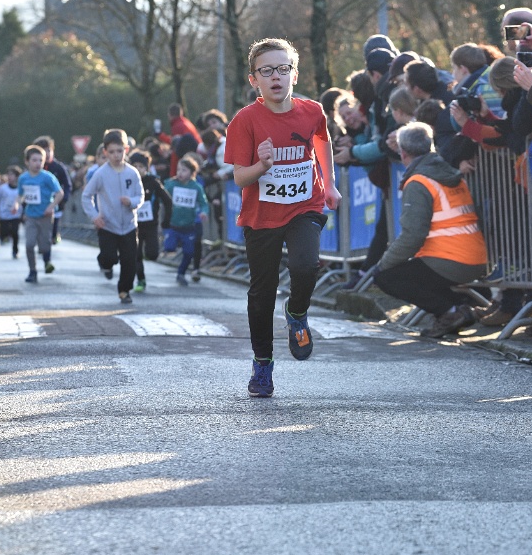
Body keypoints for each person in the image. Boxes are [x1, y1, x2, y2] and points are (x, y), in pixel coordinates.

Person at [223, 37, 342, 398]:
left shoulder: (313, 111)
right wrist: (262, 165)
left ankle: (297, 312)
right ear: (254, 80)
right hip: (261, 216)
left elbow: (322, 141)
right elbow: (239, 178)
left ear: (294, 74)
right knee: (262, 293)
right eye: (267, 71)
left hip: (305, 205)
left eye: (283, 68)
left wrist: (330, 184)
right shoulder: (245, 121)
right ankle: (263, 363)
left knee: (306, 266)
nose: (276, 76)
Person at [371, 122, 488, 338]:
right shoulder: (448, 173)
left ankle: (452, 312)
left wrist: (382, 265)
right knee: (414, 272)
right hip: (475, 258)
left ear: (402, 153)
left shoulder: (419, 182)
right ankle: (459, 309)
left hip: (449, 260)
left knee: (386, 277)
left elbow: (413, 235)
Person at [82, 129, 143, 304]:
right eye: (112, 152)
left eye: (119, 151)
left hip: (129, 225)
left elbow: (140, 196)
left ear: (126, 150)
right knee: (110, 257)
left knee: (129, 261)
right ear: (105, 152)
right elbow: (86, 196)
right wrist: (95, 216)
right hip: (107, 225)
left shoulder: (132, 173)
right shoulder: (101, 174)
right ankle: (104, 263)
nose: (116, 155)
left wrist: (131, 202)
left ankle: (124, 290)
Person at [18, 145, 63, 283]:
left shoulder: (47, 177)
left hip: (45, 216)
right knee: (29, 244)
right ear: (27, 161)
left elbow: (60, 193)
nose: (38, 163)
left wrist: (51, 207)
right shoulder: (23, 178)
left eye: (41, 160)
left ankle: (46, 259)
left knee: (44, 246)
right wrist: (16, 205)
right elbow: (20, 195)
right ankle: (32, 271)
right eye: (34, 160)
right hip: (30, 216)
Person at [128, 151, 172, 293]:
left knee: (152, 254)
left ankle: (148, 253)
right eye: (135, 166)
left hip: (151, 225)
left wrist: (166, 220)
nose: (138, 169)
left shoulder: (153, 182)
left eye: (141, 166)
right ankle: (140, 279)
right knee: (136, 254)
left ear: (147, 168)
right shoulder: (128, 182)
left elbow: (167, 200)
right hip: (133, 225)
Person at [163, 156, 208, 287]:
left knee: (189, 253)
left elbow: (204, 203)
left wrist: (204, 212)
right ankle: (175, 244)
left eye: (184, 170)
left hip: (189, 227)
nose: (180, 173)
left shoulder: (196, 187)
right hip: (173, 225)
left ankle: (181, 273)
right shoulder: (172, 184)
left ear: (192, 173)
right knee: (169, 247)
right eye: (178, 170)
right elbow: (162, 193)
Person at [33, 135, 72, 246]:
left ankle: (52, 238)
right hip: (39, 204)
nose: (47, 154)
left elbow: (67, 185)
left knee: (52, 229)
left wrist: (64, 199)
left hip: (56, 203)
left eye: (49, 150)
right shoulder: (35, 169)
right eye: (44, 151)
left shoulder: (58, 167)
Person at [0, 165, 22, 259]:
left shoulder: (20, 189)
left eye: (12, 175)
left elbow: (23, 200)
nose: (9, 177)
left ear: (17, 176)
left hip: (16, 214)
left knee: (15, 232)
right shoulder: (2, 188)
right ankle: (3, 237)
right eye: (8, 175)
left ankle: (15, 250)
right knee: (4, 231)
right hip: (4, 213)